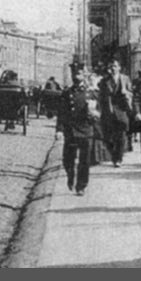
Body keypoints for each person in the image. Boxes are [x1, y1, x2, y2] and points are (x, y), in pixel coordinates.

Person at [56, 63, 100, 195]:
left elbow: (99, 111)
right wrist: (59, 129)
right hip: (71, 130)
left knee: (84, 161)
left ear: (84, 75)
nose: (76, 77)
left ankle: (81, 186)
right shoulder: (66, 93)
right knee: (67, 160)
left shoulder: (91, 92)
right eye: (74, 74)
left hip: (86, 130)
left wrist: (96, 115)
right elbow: (62, 113)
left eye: (79, 74)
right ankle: (70, 176)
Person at [98, 58, 133, 167]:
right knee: (108, 137)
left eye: (114, 66)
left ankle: (118, 158)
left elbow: (131, 93)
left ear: (119, 68)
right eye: (110, 67)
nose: (112, 69)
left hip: (122, 110)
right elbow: (101, 97)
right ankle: (113, 155)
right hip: (109, 111)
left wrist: (126, 92)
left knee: (121, 135)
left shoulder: (125, 79)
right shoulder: (104, 81)